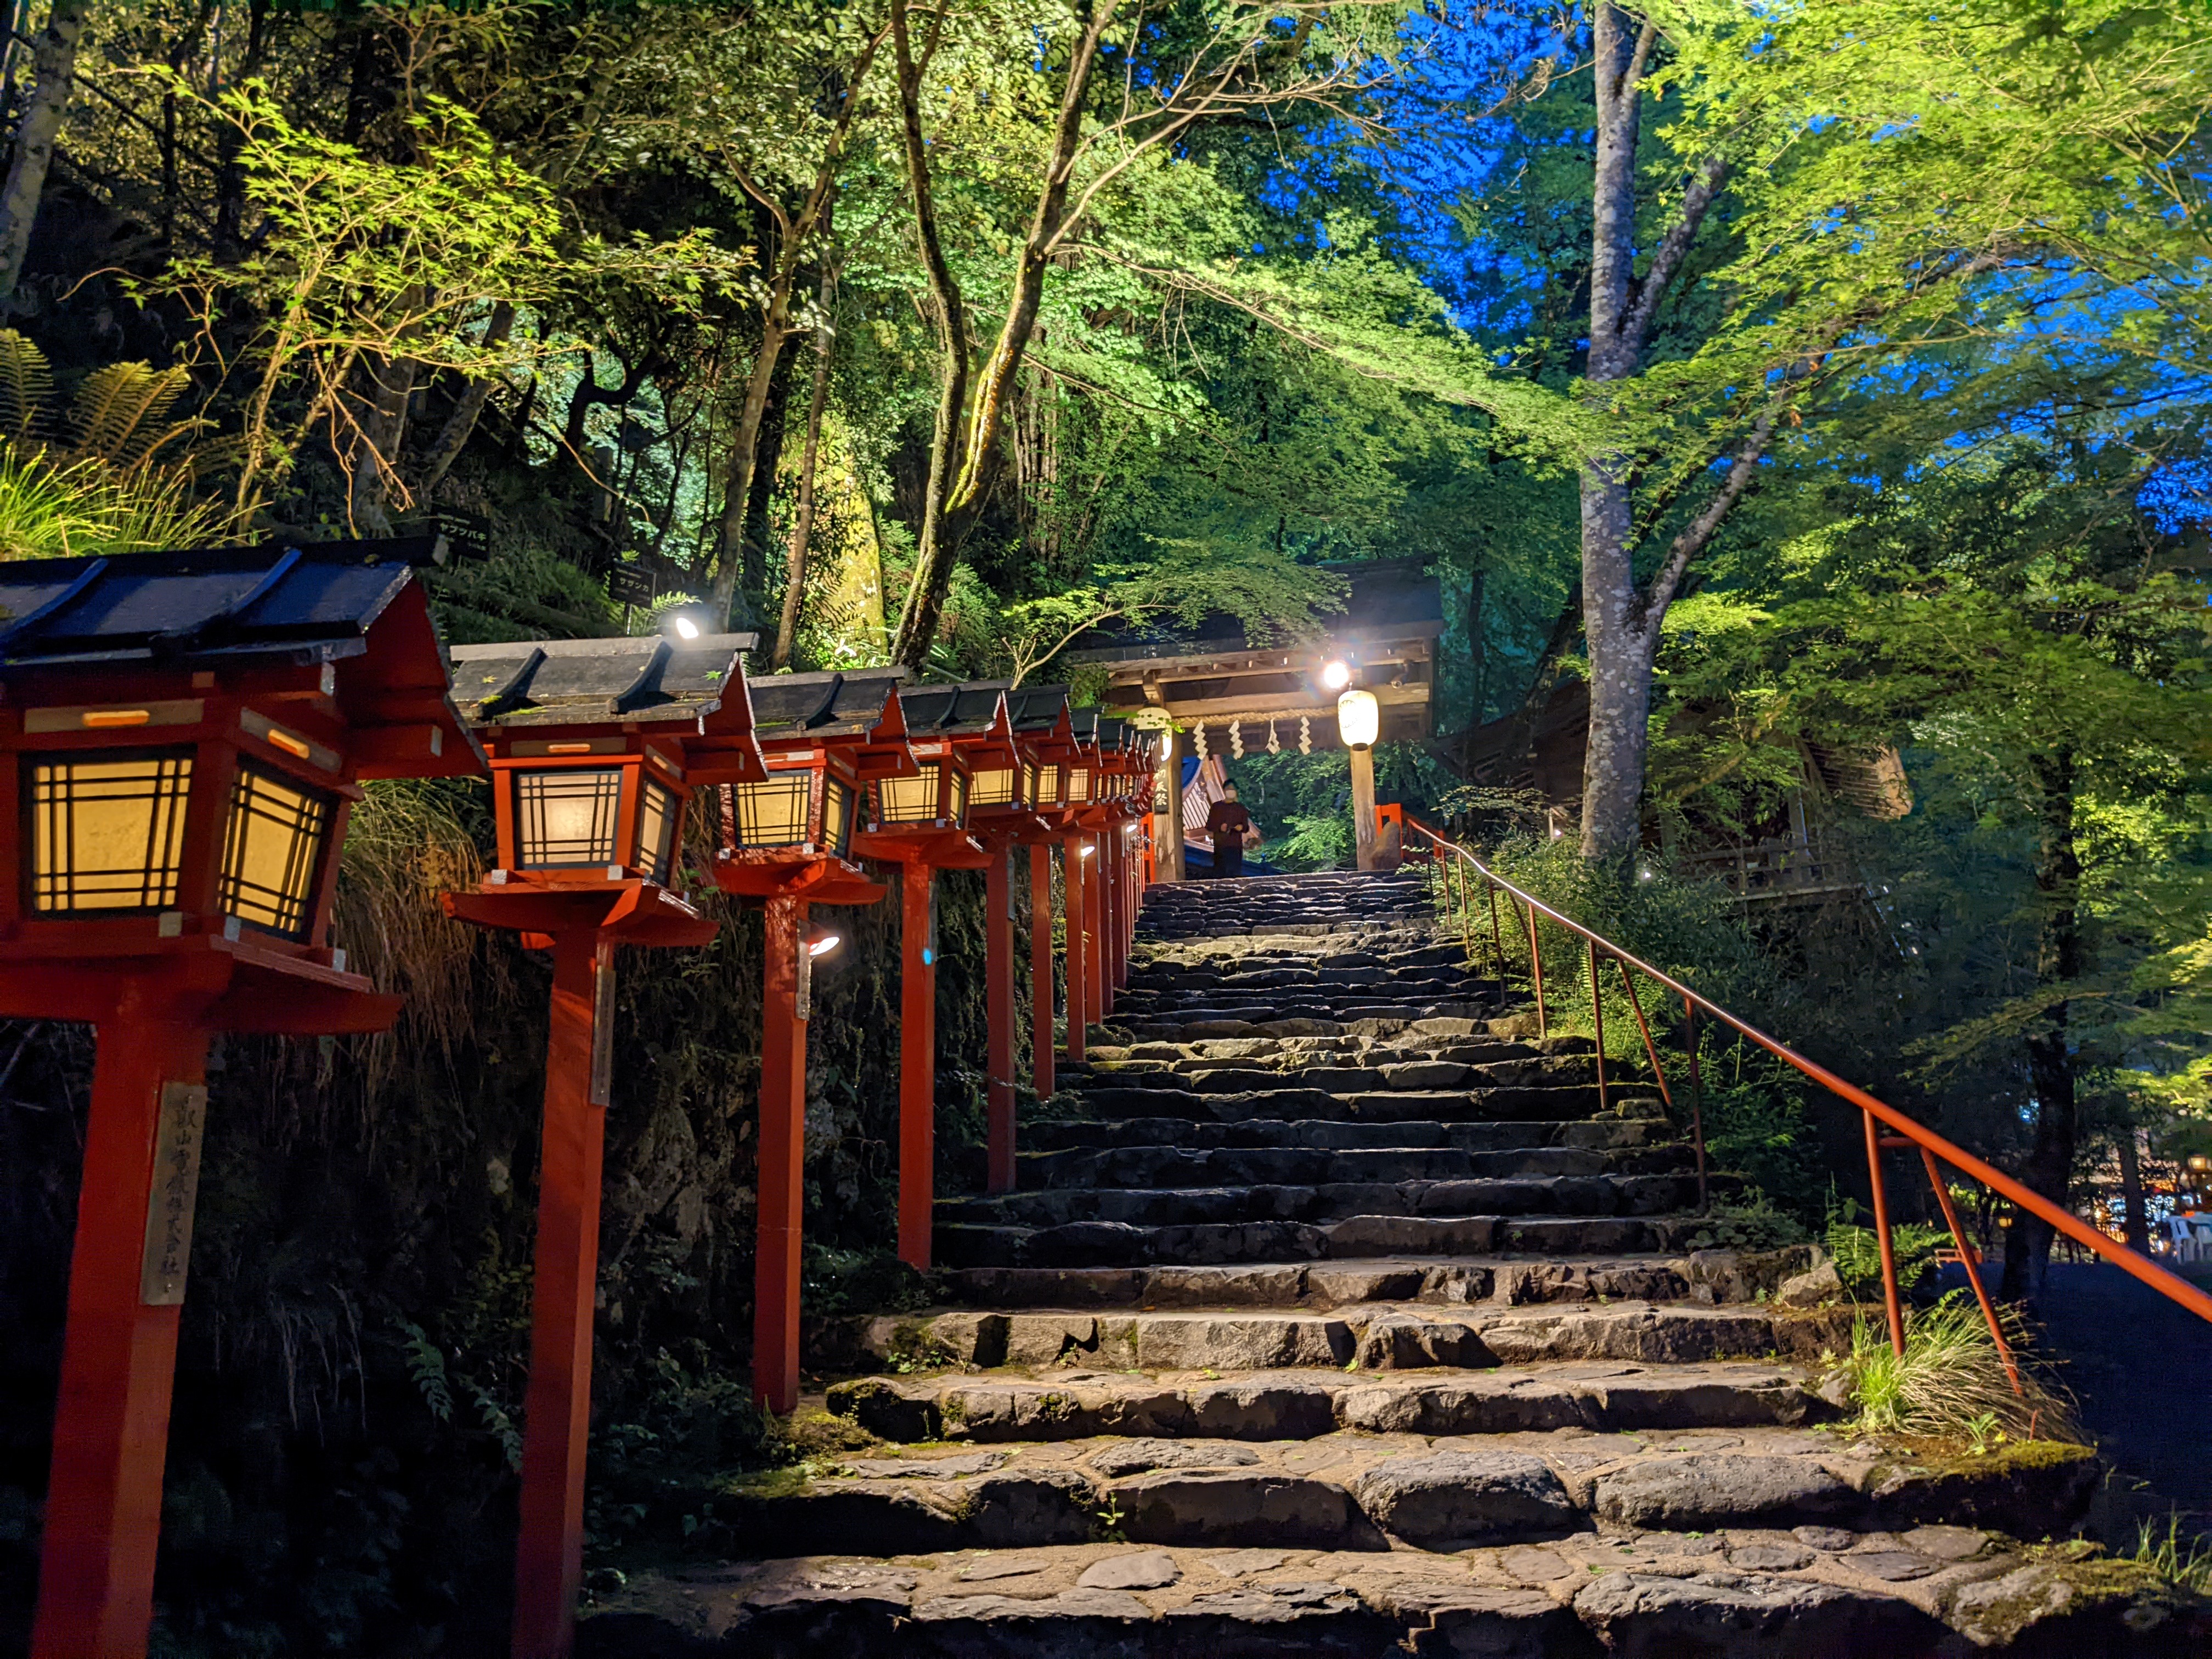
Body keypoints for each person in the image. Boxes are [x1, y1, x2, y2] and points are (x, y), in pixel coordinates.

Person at [1204, 782, 1254, 879]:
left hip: (1235, 846)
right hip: (1220, 846)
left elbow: (1246, 828)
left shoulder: (1240, 808)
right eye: (1228, 789)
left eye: (1233, 789)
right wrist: (1220, 828)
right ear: (1224, 790)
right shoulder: (1216, 807)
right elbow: (1209, 826)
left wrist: (1241, 827)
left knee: (1234, 874)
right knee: (1220, 873)